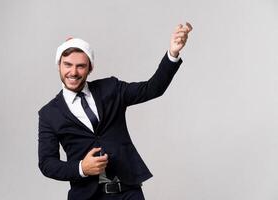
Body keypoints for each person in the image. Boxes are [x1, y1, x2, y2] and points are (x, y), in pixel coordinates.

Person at [38, 22, 193, 200]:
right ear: (58, 65)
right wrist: (81, 168)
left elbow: (152, 88)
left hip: (128, 192)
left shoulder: (111, 88)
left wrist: (172, 53)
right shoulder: (49, 114)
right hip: (87, 196)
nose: (73, 72)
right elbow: (47, 163)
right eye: (67, 65)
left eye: (81, 66)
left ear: (90, 68)